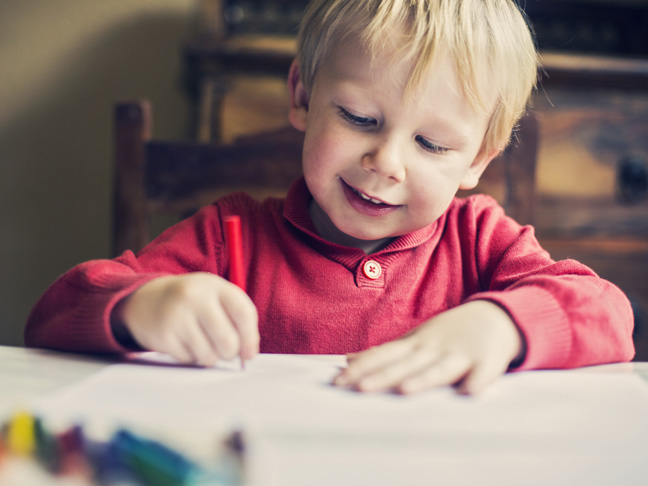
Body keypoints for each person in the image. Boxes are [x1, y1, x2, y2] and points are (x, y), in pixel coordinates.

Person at [25, 0, 634, 395]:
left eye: (431, 143)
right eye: (358, 117)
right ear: (302, 94)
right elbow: (54, 314)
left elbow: (607, 313)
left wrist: (501, 324)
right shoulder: (226, 236)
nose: (386, 163)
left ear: (478, 159)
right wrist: (143, 308)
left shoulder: (479, 240)